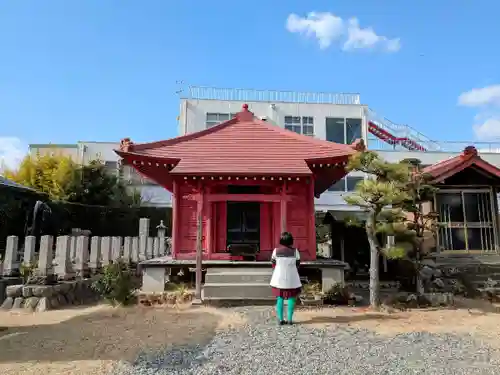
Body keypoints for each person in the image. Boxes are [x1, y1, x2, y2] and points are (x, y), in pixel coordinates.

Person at [270, 232, 302, 325]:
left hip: (279, 277)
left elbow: (273, 263)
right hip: (292, 278)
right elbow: (298, 264)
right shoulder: (295, 251)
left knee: (280, 298)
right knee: (291, 298)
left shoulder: (276, 251)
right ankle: (290, 319)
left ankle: (280, 319)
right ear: (291, 241)